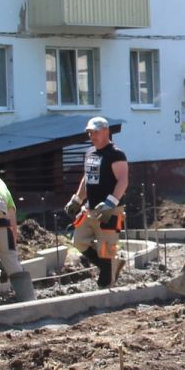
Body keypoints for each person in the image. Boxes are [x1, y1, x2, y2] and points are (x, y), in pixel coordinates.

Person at [64, 116, 128, 288]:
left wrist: (111, 203)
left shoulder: (115, 153)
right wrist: (77, 199)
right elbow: (87, 178)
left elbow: (123, 180)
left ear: (106, 131)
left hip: (109, 212)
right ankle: (110, 266)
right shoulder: (90, 153)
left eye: (96, 132)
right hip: (90, 209)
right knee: (78, 241)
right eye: (90, 133)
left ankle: (108, 287)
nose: (92, 136)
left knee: (107, 252)